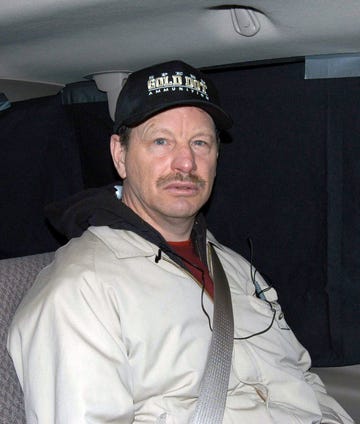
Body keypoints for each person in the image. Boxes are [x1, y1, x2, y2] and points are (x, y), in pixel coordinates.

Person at [7, 60, 353, 424]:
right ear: (120, 155)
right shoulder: (80, 291)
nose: (186, 162)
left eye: (200, 142)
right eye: (161, 141)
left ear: (217, 158)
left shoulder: (233, 266)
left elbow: (301, 376)